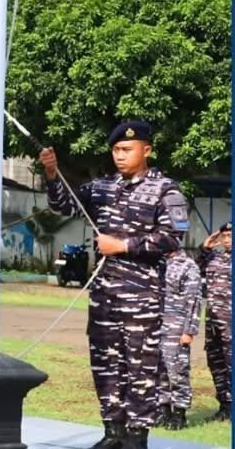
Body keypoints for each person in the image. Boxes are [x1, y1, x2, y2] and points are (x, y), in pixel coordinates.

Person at [40, 120, 187, 448]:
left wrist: (121, 246)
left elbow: (173, 237)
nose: (119, 156)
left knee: (141, 366)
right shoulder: (102, 187)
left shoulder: (166, 190)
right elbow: (64, 205)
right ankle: (113, 431)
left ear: (146, 149)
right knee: (105, 363)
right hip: (105, 294)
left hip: (141, 297)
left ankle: (137, 435)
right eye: (115, 150)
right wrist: (52, 174)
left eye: (126, 149)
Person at [155, 245, 200, 430]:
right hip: (155, 325)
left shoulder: (188, 266)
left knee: (178, 371)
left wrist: (189, 331)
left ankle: (179, 413)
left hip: (177, 326)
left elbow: (194, 301)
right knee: (159, 370)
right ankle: (163, 410)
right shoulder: (157, 262)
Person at [197, 221, 231, 423]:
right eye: (224, 236)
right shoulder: (214, 258)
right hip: (214, 324)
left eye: (230, 236)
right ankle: (225, 406)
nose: (227, 240)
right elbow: (194, 267)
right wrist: (205, 247)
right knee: (217, 363)